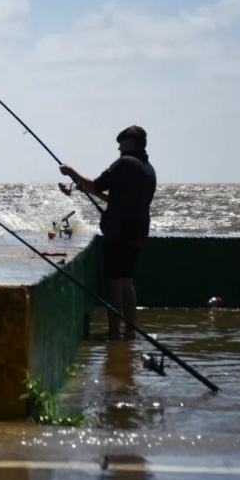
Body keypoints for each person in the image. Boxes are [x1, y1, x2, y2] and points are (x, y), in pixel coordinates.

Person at [58, 125, 156, 340]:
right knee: (127, 281)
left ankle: (114, 333)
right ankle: (130, 332)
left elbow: (97, 185)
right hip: (138, 231)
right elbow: (115, 198)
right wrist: (81, 187)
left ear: (130, 143)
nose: (119, 148)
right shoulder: (147, 168)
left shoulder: (125, 163)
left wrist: (71, 171)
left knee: (113, 282)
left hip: (120, 232)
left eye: (121, 143)